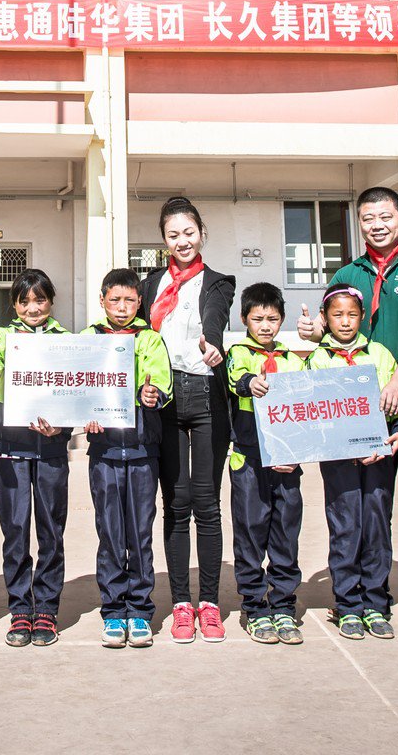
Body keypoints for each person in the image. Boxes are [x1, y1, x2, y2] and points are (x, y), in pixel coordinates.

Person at [298, 187, 398, 635]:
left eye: (385, 216)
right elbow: (329, 326)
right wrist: (312, 329)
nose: (377, 224)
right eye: (367, 218)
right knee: (354, 513)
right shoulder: (347, 271)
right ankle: (352, 599)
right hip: (357, 419)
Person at [138, 196, 235, 645]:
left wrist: (212, 343)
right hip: (164, 396)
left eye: (189, 232)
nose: (182, 241)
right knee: (175, 504)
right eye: (173, 234)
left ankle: (210, 603)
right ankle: (180, 602)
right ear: (163, 239)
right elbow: (137, 335)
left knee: (207, 503)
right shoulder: (151, 283)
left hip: (206, 395)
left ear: (202, 233)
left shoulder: (218, 282)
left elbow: (214, 318)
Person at [307, 285, 398, 641]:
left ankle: (376, 603)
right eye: (337, 315)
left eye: (352, 315)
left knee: (377, 526)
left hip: (378, 456)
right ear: (325, 318)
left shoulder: (378, 354)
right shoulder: (318, 359)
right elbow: (313, 412)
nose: (345, 322)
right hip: (339, 461)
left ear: (362, 317)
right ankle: (348, 604)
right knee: (346, 527)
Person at [0, 268, 72, 648]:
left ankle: (47, 608)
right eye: (24, 301)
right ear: (13, 304)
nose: (32, 308)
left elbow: (76, 390)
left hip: (51, 450)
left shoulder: (68, 341)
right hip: (11, 448)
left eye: (39, 300)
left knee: (51, 530)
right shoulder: (2, 337)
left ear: (51, 301)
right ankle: (20, 607)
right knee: (15, 531)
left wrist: (63, 429)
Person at [84, 269, 173, 649]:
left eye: (130, 300)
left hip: (140, 450)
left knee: (139, 533)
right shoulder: (89, 338)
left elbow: (161, 382)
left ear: (140, 303)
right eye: (114, 299)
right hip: (103, 450)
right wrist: (81, 409)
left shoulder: (149, 339)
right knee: (109, 533)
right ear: (102, 300)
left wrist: (151, 392)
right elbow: (75, 382)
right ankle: (112, 609)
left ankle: (139, 610)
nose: (122, 307)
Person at [225, 283, 312, 645]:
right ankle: (255, 605)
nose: (265, 326)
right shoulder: (239, 353)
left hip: (287, 461)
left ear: (281, 321)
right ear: (244, 318)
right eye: (257, 319)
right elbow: (236, 378)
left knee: (285, 531)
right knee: (250, 530)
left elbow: (308, 405)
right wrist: (250, 383)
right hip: (250, 457)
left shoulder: (294, 359)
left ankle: (283, 603)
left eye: (272, 319)